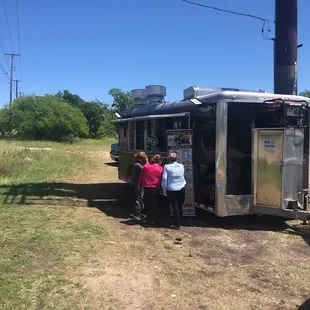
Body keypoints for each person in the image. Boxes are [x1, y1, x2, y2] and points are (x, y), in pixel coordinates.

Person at [161, 152, 186, 230]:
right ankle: (180, 221)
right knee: (180, 205)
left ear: (169, 159)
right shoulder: (181, 166)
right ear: (177, 158)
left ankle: (177, 224)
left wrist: (164, 188)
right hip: (182, 187)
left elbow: (164, 178)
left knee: (174, 206)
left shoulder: (166, 167)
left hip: (172, 188)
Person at [138, 154, 163, 226]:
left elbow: (141, 177)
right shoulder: (160, 168)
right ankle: (156, 221)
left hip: (147, 187)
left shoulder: (146, 167)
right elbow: (161, 179)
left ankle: (148, 221)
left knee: (148, 205)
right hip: (156, 188)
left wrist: (139, 185)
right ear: (159, 161)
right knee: (156, 205)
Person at [130, 152, 148, 218]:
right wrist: (147, 161)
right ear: (141, 158)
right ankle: (139, 213)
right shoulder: (138, 165)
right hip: (138, 184)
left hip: (138, 183)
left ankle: (137, 212)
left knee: (138, 197)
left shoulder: (136, 164)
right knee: (139, 198)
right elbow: (146, 169)